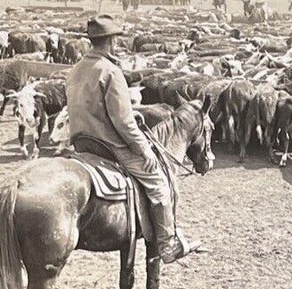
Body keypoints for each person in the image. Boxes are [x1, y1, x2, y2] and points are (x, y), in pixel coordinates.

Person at [65, 15, 202, 264]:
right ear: (111, 41)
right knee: (159, 182)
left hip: (82, 143)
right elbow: (124, 123)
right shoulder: (110, 71)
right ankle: (167, 242)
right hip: (109, 144)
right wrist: (144, 149)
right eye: (115, 39)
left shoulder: (74, 70)